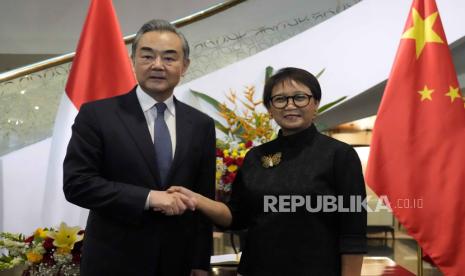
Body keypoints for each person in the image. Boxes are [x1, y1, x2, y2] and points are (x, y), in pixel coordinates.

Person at [170, 67, 367, 276]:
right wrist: (198, 200)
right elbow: (236, 217)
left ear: (315, 104)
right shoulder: (255, 157)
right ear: (270, 109)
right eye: (280, 99)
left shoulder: (340, 155)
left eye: (300, 97)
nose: (290, 105)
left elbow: (353, 232)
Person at [63, 19, 215, 276]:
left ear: (184, 66)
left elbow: (202, 197)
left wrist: (200, 263)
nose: (157, 65)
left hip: (176, 262)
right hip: (114, 260)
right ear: (133, 61)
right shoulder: (98, 115)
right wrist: (148, 198)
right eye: (147, 56)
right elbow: (78, 184)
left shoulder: (200, 124)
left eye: (169, 58)